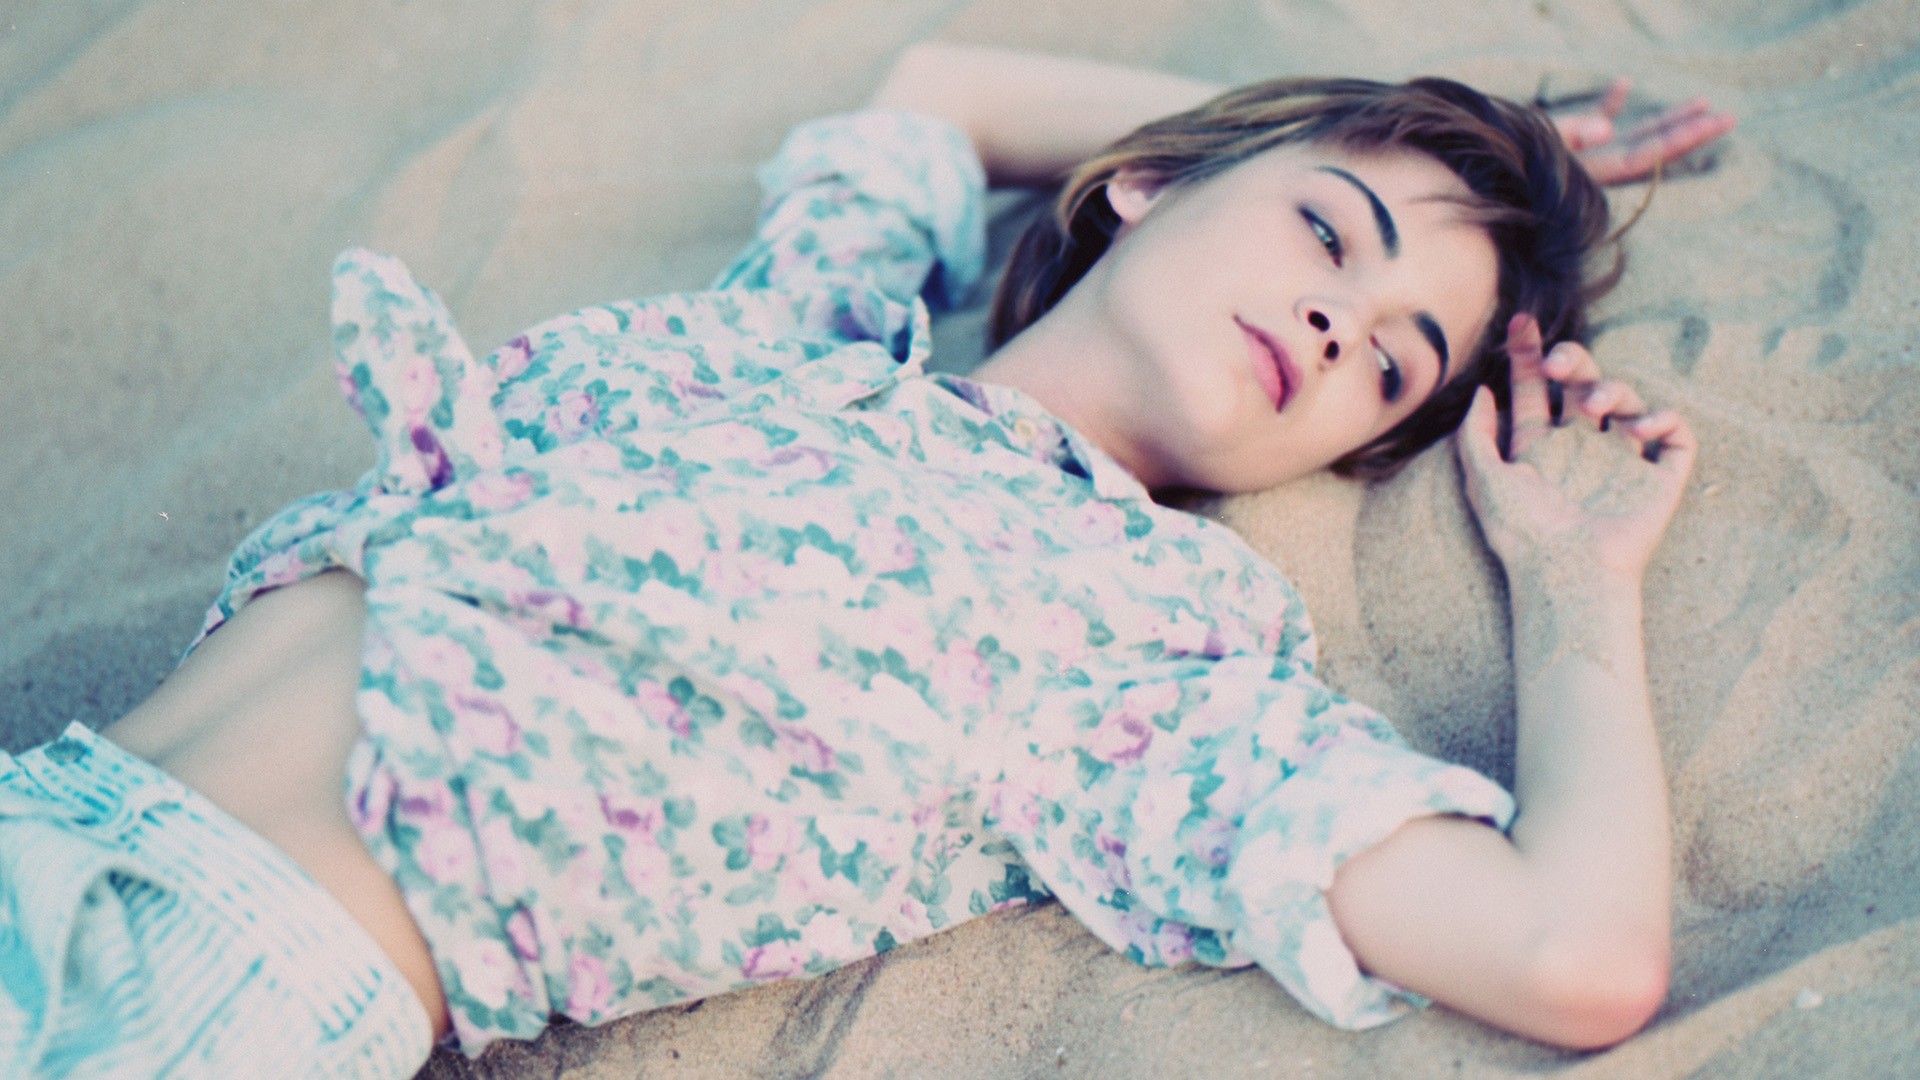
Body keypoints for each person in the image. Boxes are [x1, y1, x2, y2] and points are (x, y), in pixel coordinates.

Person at [0, 42, 1731, 1077]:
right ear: (1149, 181)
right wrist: (1463, 130)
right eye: (1327, 231)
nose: (1342, 318)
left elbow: (1571, 950)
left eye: (1394, 362)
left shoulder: (1148, 661)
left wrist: (1574, 582)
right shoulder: (810, 323)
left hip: (210, 995)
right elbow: (943, 92)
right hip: (47, 811)